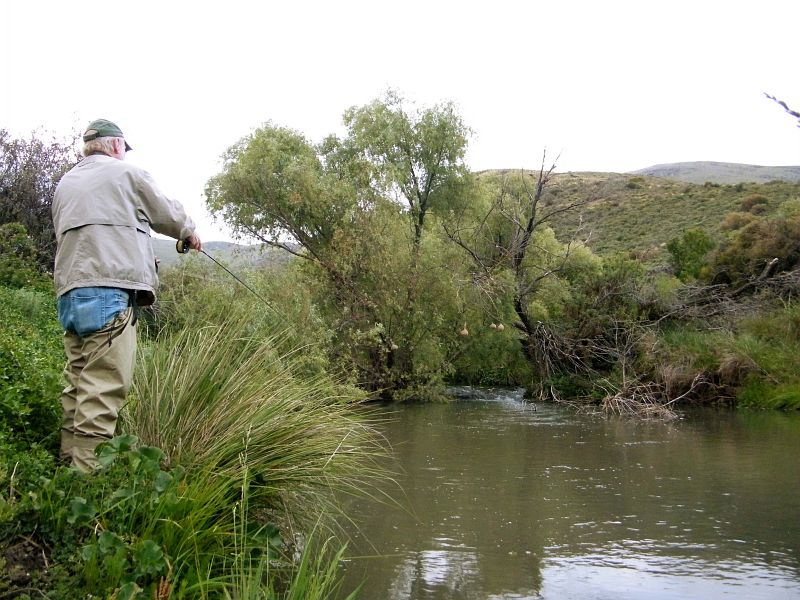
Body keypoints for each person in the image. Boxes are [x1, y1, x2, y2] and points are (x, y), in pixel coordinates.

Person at [51, 118, 201, 471]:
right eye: (124, 148)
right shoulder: (126, 174)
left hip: (70, 295)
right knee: (101, 389)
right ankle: (85, 485)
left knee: (77, 384)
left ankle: (65, 468)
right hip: (108, 295)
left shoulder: (65, 184)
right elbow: (168, 213)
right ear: (116, 145)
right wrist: (189, 232)